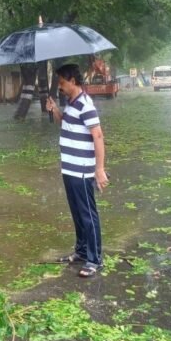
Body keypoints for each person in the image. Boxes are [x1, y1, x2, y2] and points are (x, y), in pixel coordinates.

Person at [45, 64, 109, 278]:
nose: (60, 86)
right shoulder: (71, 103)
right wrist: (55, 110)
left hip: (82, 170)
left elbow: (98, 136)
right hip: (69, 168)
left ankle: (95, 259)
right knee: (77, 213)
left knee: (88, 214)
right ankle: (81, 251)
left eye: (62, 82)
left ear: (73, 81)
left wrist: (99, 169)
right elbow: (67, 124)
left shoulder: (85, 104)